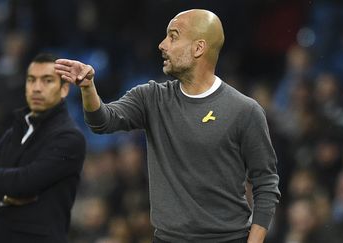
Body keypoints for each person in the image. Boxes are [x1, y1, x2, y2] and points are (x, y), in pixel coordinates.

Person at [55, 9, 280, 243]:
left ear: (198, 48)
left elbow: (266, 183)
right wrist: (88, 88)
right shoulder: (151, 98)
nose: (162, 45)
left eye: (173, 36)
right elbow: (102, 121)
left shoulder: (245, 110)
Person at [0, 53, 86, 243]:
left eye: (47, 81)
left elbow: (25, 183)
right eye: (31, 80)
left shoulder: (69, 138)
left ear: (64, 89)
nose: (36, 88)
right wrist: (5, 195)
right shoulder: (14, 132)